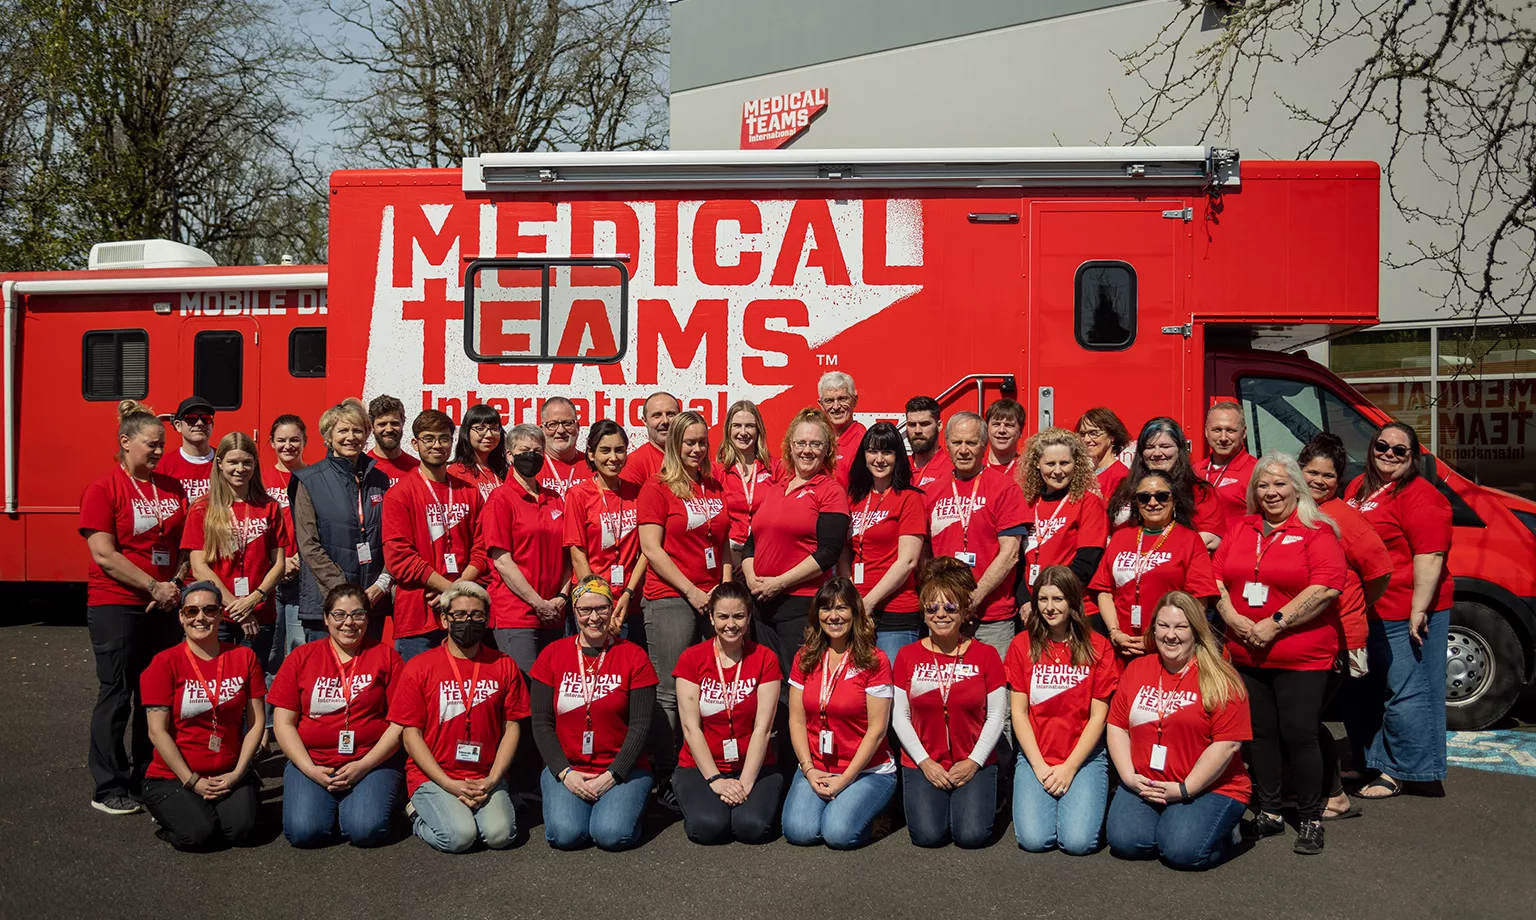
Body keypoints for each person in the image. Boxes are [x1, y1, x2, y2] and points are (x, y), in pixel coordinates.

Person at [1213, 452, 1346, 854]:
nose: (1270, 492)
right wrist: (1233, 618)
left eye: (1279, 483)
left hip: (1300, 655)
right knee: (1260, 734)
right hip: (1245, 651)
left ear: (1297, 488)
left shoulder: (1317, 531)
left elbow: (1325, 587)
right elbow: (1214, 578)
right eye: (1262, 485)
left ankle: (1310, 818)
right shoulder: (1241, 528)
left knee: (1300, 733)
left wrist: (1276, 622)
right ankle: (1269, 811)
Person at [80, 400, 188, 816]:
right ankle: (109, 786)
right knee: (118, 693)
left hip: (162, 604)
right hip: (118, 604)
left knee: (155, 695)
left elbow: (182, 544)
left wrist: (173, 584)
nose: (159, 451)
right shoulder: (104, 488)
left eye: (162, 444)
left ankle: (147, 775)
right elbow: (103, 554)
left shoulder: (171, 488)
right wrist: (151, 586)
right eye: (151, 444)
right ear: (125, 442)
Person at [1346, 421, 1454, 800]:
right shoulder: (1358, 488)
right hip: (1367, 610)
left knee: (1408, 694)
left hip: (1405, 608)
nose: (1388, 454)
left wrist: (1418, 609)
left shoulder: (1421, 495)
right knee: (1368, 691)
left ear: (1413, 458)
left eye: (1399, 450)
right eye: (1382, 446)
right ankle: (1372, 759)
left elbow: (1431, 554)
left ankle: (1404, 771)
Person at [1105, 591, 1252, 870]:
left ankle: (1226, 833)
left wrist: (1185, 790)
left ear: (1196, 630)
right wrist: (1127, 775)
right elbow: (1117, 725)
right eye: (1163, 626)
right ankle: (1176, 823)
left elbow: (1227, 745)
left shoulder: (1221, 677)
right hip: (1147, 781)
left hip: (1209, 786)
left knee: (1182, 851)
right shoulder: (1137, 669)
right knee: (1126, 841)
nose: (1170, 635)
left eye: (1180, 627)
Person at [390, 580, 528, 853]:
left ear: (487, 620)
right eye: (460, 615)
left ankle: (479, 806)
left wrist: (493, 778)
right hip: (435, 775)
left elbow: (512, 727)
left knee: (500, 836)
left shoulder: (504, 665)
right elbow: (410, 734)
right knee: (459, 837)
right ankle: (416, 813)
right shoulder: (420, 667)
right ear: (444, 619)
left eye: (477, 615)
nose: (469, 621)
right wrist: (448, 784)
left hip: (486, 775)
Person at [1299, 432, 1392, 819]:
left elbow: (1380, 570)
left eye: (1329, 476)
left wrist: (1357, 605)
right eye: (1312, 472)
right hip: (1307, 632)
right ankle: (1306, 785)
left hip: (1339, 637)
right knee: (1299, 715)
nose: (1319, 481)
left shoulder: (1344, 518)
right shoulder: (1299, 509)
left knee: (1304, 717)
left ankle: (1334, 794)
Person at [270, 584, 405, 848]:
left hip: (370, 761)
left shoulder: (385, 656)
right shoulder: (302, 657)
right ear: (326, 618)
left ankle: (369, 800)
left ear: (368, 617)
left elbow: (399, 722)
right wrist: (309, 769)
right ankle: (331, 805)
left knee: (365, 830)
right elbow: (283, 722)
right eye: (339, 615)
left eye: (358, 614)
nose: (349, 623)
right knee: (304, 833)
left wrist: (363, 766)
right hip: (312, 760)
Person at [530, 577, 659, 850]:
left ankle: (623, 804)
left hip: (623, 769)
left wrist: (613, 775)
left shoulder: (634, 657)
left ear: (612, 609)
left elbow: (640, 726)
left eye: (601, 608)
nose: (594, 617)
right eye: (585, 610)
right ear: (574, 612)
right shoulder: (552, 655)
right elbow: (541, 723)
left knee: (611, 834)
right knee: (566, 835)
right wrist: (564, 773)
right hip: (569, 768)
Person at [139, 582, 267, 850]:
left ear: (221, 614)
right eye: (191, 610)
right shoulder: (164, 663)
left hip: (228, 771)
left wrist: (237, 773)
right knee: (199, 835)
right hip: (174, 775)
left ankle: (202, 808)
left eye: (209, 610)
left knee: (241, 832)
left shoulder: (244, 657)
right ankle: (170, 815)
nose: (200, 617)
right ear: (181, 616)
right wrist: (192, 780)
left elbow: (256, 724)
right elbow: (156, 731)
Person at [637, 410, 730, 772]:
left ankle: (704, 765)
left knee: (712, 684)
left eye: (702, 442)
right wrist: (691, 591)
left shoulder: (713, 485)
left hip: (712, 599)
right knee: (670, 691)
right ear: (675, 444)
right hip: (671, 598)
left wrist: (723, 586)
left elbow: (721, 541)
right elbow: (652, 549)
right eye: (689, 442)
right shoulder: (657, 488)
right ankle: (666, 773)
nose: (696, 449)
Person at [892, 558, 1007, 848]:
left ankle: (992, 796)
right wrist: (925, 762)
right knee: (928, 836)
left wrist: (974, 762)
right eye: (932, 607)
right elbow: (900, 717)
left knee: (971, 836)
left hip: (972, 760)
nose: (940, 614)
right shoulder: (907, 656)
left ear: (964, 612)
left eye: (950, 607)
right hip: (925, 762)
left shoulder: (986, 655)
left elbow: (996, 716)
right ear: (924, 612)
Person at [1006, 566, 1117, 855]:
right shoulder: (1022, 645)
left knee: (1078, 843)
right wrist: (1040, 766)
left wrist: (1069, 768)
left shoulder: (1098, 647)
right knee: (1034, 840)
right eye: (1043, 599)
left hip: (1084, 758)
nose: (1049, 607)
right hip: (1036, 756)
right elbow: (1018, 713)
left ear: (1072, 602)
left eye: (1058, 599)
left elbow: (1098, 716)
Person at [782, 578, 897, 849]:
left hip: (866, 770)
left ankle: (871, 814)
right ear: (817, 614)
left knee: (838, 834)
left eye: (842, 608)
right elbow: (796, 719)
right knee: (800, 832)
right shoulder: (805, 657)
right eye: (826, 608)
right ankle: (838, 806)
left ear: (856, 613)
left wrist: (844, 781)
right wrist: (808, 771)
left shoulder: (874, 660)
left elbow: (877, 730)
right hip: (817, 767)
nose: (833, 616)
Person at [672, 581, 784, 844]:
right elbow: (691, 728)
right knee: (709, 828)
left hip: (754, 765)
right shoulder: (692, 658)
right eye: (722, 616)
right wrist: (715, 780)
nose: (730, 624)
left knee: (751, 828)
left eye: (738, 616)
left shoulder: (765, 658)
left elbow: (763, 728)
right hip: (701, 767)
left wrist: (744, 783)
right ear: (711, 618)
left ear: (748, 618)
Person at [743, 408, 851, 671]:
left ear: (827, 450)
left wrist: (779, 583)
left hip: (801, 604)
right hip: (760, 604)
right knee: (767, 686)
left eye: (815, 444)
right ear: (790, 446)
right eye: (801, 443)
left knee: (797, 682)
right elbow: (751, 543)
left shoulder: (830, 491)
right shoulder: (776, 488)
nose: (807, 450)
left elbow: (829, 552)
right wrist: (750, 577)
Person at [922, 411, 1028, 660]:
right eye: (957, 442)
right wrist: (944, 602)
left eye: (971, 442)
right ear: (946, 444)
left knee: (994, 695)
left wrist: (973, 599)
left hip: (993, 617)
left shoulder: (1004, 488)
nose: (963, 450)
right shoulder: (931, 492)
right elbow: (925, 553)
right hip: (943, 616)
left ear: (984, 445)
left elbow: (1010, 553)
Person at [383, 410, 488, 662]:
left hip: (468, 614)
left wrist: (458, 592)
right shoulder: (400, 494)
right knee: (420, 694)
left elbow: (483, 548)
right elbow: (400, 558)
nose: (437, 445)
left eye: (444, 438)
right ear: (415, 443)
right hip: (420, 617)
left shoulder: (469, 492)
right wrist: (453, 590)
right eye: (428, 438)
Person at [1090, 472, 1218, 671]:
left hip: (1169, 648)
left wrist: (1160, 637)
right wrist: (1114, 632)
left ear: (1174, 501)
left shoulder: (1189, 540)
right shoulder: (1121, 537)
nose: (1152, 502)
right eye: (1144, 497)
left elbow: (1198, 600)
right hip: (1122, 647)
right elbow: (1105, 590)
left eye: (1161, 496)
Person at [184, 432, 287, 677]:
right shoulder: (202, 508)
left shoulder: (270, 507)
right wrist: (237, 609)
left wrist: (254, 599)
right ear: (220, 463)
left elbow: (279, 564)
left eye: (247, 462)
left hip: (260, 614)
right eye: (233, 462)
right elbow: (199, 568)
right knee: (215, 684)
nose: (240, 469)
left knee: (252, 687)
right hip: (215, 615)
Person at [291, 399, 392, 644]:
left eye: (357, 430)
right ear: (328, 436)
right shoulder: (308, 480)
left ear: (367, 434)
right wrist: (346, 594)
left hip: (371, 602)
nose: (351, 437)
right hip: (327, 603)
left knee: (367, 677)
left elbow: (393, 537)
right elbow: (309, 546)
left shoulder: (380, 479)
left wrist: (382, 583)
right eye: (343, 430)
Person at [483, 423, 570, 674]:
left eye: (537, 450)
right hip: (516, 615)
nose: (531, 456)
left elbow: (567, 556)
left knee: (549, 692)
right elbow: (502, 561)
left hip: (554, 615)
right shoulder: (500, 499)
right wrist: (537, 603)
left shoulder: (554, 498)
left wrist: (560, 599)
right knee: (524, 691)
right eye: (524, 450)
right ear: (509, 455)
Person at [842, 421, 927, 662]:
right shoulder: (854, 499)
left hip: (895, 614)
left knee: (891, 694)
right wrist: (852, 598)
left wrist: (868, 602)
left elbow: (908, 561)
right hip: (855, 611)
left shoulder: (910, 498)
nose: (879, 459)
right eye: (872, 451)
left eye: (887, 452)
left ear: (898, 456)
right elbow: (845, 553)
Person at [564, 419, 649, 639]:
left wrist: (628, 593)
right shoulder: (578, 495)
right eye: (605, 450)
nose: (613, 458)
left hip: (631, 601)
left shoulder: (638, 493)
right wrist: (600, 603)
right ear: (591, 454)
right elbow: (577, 555)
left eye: (619, 450)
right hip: (593, 606)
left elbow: (647, 549)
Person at [1014, 428, 1108, 617]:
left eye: (1065, 463)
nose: (1058, 471)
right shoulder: (1029, 503)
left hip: (1076, 609)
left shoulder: (1087, 502)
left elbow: (1086, 563)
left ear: (1076, 464)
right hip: (1034, 609)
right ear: (1037, 465)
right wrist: (1025, 601)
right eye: (1050, 463)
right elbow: (1019, 563)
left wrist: (1048, 600)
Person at [1108, 417, 1225, 550]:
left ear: (1180, 449)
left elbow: (1210, 538)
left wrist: (1158, 556)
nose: (1157, 453)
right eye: (1150, 447)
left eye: (1165, 446)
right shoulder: (1124, 488)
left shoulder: (1200, 491)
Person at [266, 415, 308, 660]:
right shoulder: (258, 478)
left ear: (305, 441)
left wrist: (298, 560)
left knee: (297, 650)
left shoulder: (314, 477)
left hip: (300, 578)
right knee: (270, 654)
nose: (288, 446)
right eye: (281, 440)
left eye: (295, 439)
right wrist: (278, 563)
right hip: (268, 577)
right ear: (271, 442)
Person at [718, 399, 775, 563]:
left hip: (764, 552)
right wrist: (731, 559)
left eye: (749, 426)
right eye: (737, 425)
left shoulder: (775, 468)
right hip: (729, 554)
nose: (743, 432)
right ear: (728, 429)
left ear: (758, 430)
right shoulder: (718, 471)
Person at [1199, 401, 1258, 533]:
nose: (1223, 438)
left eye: (1231, 430)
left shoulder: (1258, 472)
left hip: (1236, 551)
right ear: (1206, 432)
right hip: (1196, 551)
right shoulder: (1194, 471)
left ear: (1244, 433)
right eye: (1217, 430)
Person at [156, 396, 217, 502]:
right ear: (178, 425)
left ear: (212, 425)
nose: (199, 423)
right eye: (191, 418)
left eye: (206, 418)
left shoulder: (224, 461)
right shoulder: (162, 466)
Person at [448, 403, 508, 502]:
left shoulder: (504, 471)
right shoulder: (456, 472)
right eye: (480, 428)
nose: (489, 435)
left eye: (494, 428)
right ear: (466, 432)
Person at [818, 371, 866, 489]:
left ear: (854, 400)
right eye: (829, 400)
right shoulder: (815, 439)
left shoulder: (864, 441)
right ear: (820, 404)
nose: (836, 406)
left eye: (842, 398)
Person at [620, 392, 680, 486]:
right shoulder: (635, 463)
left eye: (670, 414)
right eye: (657, 415)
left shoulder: (694, 455)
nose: (665, 421)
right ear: (644, 421)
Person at [538, 396, 591, 499]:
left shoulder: (593, 465)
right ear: (542, 429)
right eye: (553, 424)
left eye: (567, 423)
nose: (561, 430)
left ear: (577, 427)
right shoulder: (530, 466)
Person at [1077, 407, 1132, 499]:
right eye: (1083, 434)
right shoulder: (1082, 474)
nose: (1086, 439)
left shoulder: (1120, 476)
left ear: (1112, 436)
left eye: (1094, 433)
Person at [366, 394, 420, 487]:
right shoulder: (363, 468)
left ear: (403, 423)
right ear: (372, 426)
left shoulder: (417, 469)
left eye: (394, 423)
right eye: (382, 424)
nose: (389, 429)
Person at [905, 395, 945, 490]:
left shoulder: (952, 469)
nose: (917, 430)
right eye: (912, 424)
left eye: (924, 424)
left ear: (939, 426)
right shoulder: (898, 466)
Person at [985, 398, 1026, 475]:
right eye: (996, 424)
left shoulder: (1028, 470)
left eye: (1009, 425)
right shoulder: (974, 467)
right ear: (987, 428)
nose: (1002, 430)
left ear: (1021, 430)